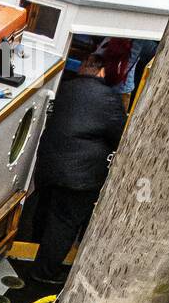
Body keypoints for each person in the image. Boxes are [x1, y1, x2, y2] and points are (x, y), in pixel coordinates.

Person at [30, 54, 126, 286]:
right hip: (80, 175)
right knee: (64, 223)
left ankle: (32, 248)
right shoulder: (110, 99)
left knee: (45, 209)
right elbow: (121, 137)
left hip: (48, 164)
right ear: (103, 72)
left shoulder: (65, 88)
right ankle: (44, 272)